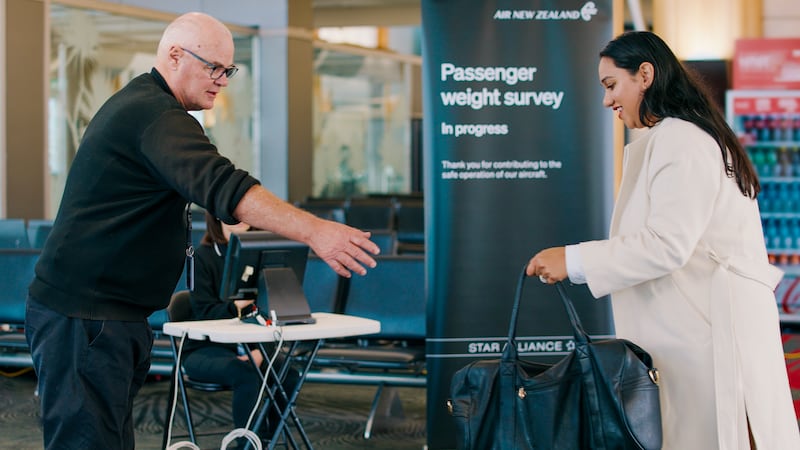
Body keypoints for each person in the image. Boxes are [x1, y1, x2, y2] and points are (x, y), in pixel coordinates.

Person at [25, 12, 379, 450]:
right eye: (214, 68)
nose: (222, 81)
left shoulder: (152, 109)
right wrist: (314, 231)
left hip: (108, 317)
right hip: (84, 317)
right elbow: (224, 186)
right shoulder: (154, 115)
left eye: (228, 70)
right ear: (175, 56)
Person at [526, 31, 800, 450]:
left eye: (611, 85)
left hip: (705, 333)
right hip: (700, 329)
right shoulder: (683, 137)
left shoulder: (680, 139)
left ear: (645, 75)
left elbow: (667, 244)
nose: (607, 100)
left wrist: (574, 261)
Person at [180, 213, 298, 445]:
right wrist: (235, 308)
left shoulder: (262, 256)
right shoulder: (203, 257)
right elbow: (204, 313)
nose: (238, 219)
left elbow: (268, 312)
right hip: (204, 350)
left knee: (288, 374)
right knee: (247, 375)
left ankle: (267, 439)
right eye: (231, 214)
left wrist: (260, 351)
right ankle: (248, 445)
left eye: (244, 214)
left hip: (251, 347)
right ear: (217, 217)